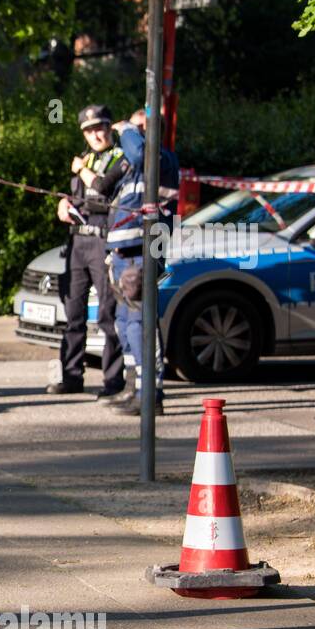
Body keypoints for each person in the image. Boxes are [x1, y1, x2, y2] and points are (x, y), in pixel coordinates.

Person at [105, 107, 180, 416]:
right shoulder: (137, 163)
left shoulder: (158, 158)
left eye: (138, 129)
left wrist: (125, 130)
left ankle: (151, 393)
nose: (131, 135)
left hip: (143, 251)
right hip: (124, 254)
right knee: (125, 323)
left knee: (140, 324)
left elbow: (137, 154)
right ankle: (134, 386)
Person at [48, 104, 126, 400]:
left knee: (108, 315)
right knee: (73, 313)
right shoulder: (87, 159)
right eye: (89, 130)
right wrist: (63, 203)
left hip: (103, 241)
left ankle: (113, 381)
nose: (96, 135)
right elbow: (78, 195)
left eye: (101, 128)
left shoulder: (119, 158)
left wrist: (82, 170)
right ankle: (71, 376)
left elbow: (104, 191)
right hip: (78, 242)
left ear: (109, 129)